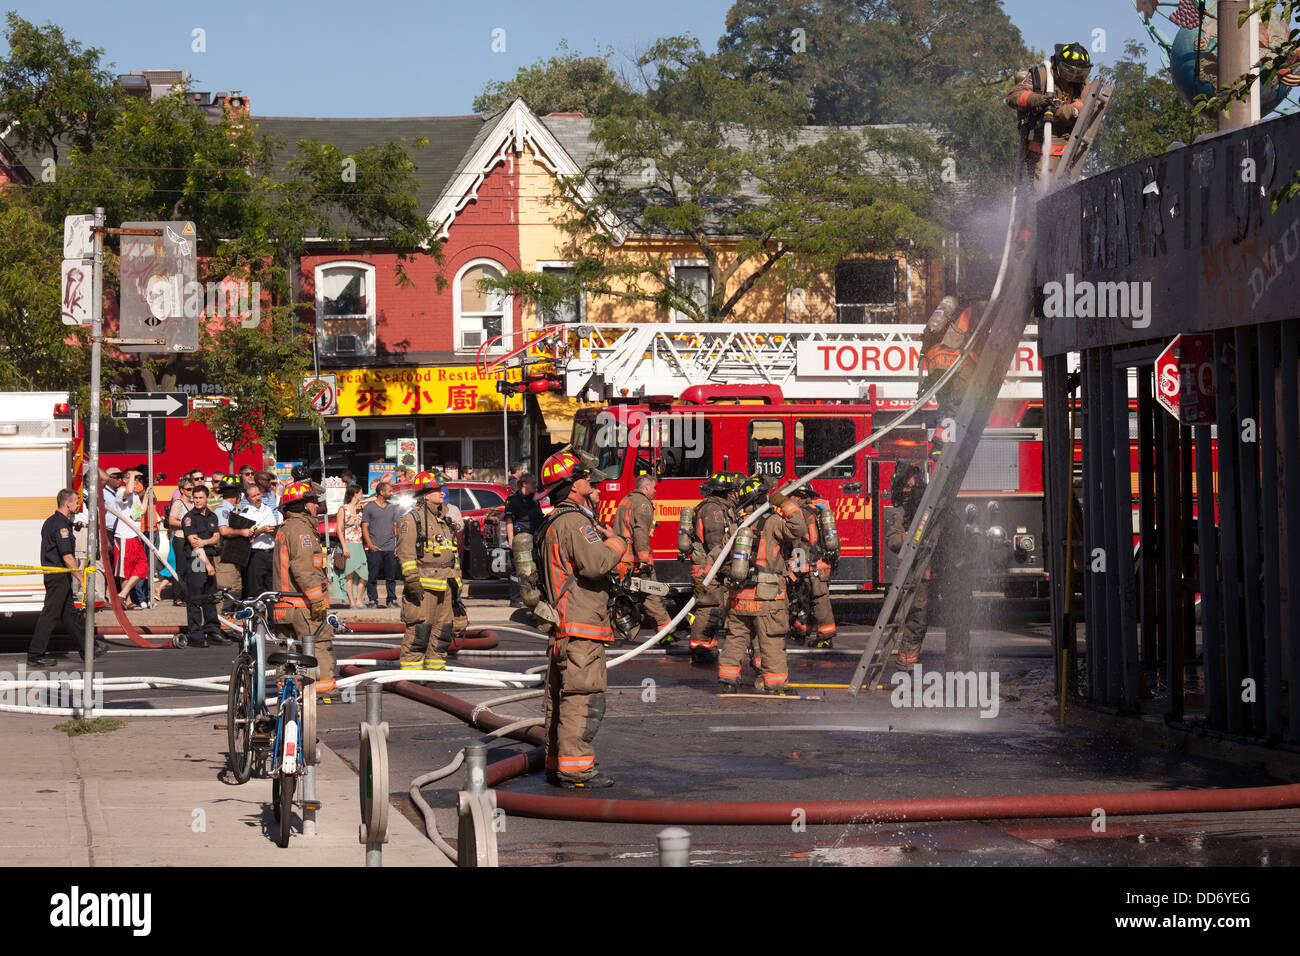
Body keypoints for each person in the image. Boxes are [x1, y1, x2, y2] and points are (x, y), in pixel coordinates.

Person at [536, 451, 629, 789]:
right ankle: (576, 769)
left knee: (560, 697)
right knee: (582, 697)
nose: (594, 485)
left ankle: (556, 761)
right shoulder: (575, 522)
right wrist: (618, 541)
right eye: (588, 479)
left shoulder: (553, 522)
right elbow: (596, 565)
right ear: (573, 485)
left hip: (564, 627)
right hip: (581, 627)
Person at [717, 477, 805, 695]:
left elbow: (718, 554)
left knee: (736, 638)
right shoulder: (773, 522)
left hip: (739, 597)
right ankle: (775, 684)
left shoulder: (738, 524)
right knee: (771, 640)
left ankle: (728, 680)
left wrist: (703, 576)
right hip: (767, 597)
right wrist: (783, 501)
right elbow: (798, 527)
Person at [885, 464, 975, 671]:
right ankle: (906, 668)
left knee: (957, 617)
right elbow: (893, 540)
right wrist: (914, 538)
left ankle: (958, 665)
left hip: (949, 572)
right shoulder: (903, 512)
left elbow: (960, 537)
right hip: (921, 576)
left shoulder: (941, 507)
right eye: (907, 486)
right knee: (917, 619)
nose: (911, 490)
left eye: (914, 485)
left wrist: (959, 560)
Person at [28, 490, 110, 666]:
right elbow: (67, 556)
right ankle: (35, 655)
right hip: (57, 576)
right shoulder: (60, 525)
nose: (78, 505)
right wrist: (81, 578)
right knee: (50, 616)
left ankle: (88, 648)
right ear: (67, 504)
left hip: (58, 576)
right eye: (76, 502)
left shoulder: (54, 522)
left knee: (70, 616)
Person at [272, 480, 337, 698]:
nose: (316, 506)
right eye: (312, 502)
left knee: (289, 653)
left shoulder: (287, 528)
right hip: (303, 606)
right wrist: (317, 599)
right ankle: (323, 693)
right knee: (318, 646)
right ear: (303, 505)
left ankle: (290, 696)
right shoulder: (301, 531)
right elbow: (303, 568)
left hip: (285, 607)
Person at [394, 472, 462, 670]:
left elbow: (452, 556)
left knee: (443, 633)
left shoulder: (445, 520)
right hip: (424, 587)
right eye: (436, 490)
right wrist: (412, 581)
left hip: (447, 585)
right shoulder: (411, 520)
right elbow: (406, 555)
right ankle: (411, 677)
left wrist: (457, 584)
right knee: (419, 633)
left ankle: (435, 673)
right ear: (425, 495)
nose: (442, 494)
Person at [1006, 42, 1093, 183]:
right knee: (1042, 193)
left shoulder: (1082, 82)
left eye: (1078, 73)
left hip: (1070, 146)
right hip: (1042, 144)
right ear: (1059, 64)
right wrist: (1037, 99)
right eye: (1068, 72)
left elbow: (1089, 103)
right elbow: (1013, 97)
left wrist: (1070, 110)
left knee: (1068, 191)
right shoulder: (1043, 73)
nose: (1072, 77)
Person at [686, 472, 744, 664]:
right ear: (726, 492)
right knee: (708, 608)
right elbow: (716, 543)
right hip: (707, 567)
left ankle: (707, 645)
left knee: (716, 608)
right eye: (734, 491)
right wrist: (728, 568)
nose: (737, 494)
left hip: (712, 567)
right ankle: (700, 647)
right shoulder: (714, 510)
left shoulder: (720, 507)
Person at [919, 296, 982, 462]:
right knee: (955, 404)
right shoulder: (970, 312)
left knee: (946, 404)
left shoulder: (943, 317)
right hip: (952, 361)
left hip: (935, 363)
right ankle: (941, 446)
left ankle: (941, 446)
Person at [611, 472, 673, 634]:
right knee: (651, 595)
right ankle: (667, 633)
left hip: (619, 557)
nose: (655, 491)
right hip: (634, 561)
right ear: (645, 488)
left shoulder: (626, 500)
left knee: (620, 596)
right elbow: (641, 532)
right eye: (654, 488)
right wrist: (644, 559)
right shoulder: (643, 504)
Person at [787, 485, 838, 649]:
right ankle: (800, 631)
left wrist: (794, 564)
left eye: (791, 496)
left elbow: (798, 542)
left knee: (819, 601)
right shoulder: (816, 511)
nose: (789, 500)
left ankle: (825, 637)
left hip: (812, 564)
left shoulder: (800, 514)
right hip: (819, 562)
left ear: (798, 497)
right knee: (807, 598)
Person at [180, 486, 224, 648]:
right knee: (196, 597)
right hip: (196, 560)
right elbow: (194, 543)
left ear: (207, 498)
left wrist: (205, 542)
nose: (197, 500)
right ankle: (196, 634)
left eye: (200, 498)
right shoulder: (189, 518)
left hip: (210, 556)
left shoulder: (212, 516)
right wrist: (206, 565)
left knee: (210, 595)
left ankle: (212, 630)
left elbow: (216, 538)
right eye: (195, 498)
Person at [503, 473, 545, 607]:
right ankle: (515, 599)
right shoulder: (513, 500)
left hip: (534, 538)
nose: (535, 485)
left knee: (534, 569)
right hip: (520, 540)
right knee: (518, 570)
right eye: (533, 483)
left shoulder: (534, 500)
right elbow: (509, 520)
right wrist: (511, 539)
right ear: (524, 484)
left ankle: (532, 596)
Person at [113, 471, 148, 610]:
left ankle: (122, 594)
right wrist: (132, 475)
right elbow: (128, 490)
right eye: (133, 478)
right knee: (125, 572)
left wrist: (146, 495)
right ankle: (127, 601)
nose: (136, 481)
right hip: (124, 536)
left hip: (134, 536)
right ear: (125, 480)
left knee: (142, 567)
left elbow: (139, 513)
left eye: (138, 479)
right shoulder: (121, 492)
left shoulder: (134, 495)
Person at [213, 479, 252, 601]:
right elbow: (224, 530)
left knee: (235, 588)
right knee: (228, 589)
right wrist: (242, 532)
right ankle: (224, 619)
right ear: (237, 493)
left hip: (232, 555)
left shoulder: (231, 510)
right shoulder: (223, 510)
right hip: (224, 557)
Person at [361, 480, 398, 608]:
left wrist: (397, 545)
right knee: (372, 576)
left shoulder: (393, 507)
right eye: (389, 491)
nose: (392, 493)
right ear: (381, 492)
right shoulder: (369, 507)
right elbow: (364, 527)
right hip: (374, 547)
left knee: (391, 577)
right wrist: (370, 544)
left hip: (390, 547)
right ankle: (373, 600)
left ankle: (391, 600)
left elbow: (396, 527)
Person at [242, 482, 280, 598]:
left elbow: (274, 527)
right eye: (253, 496)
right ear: (248, 499)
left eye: (258, 495)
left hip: (271, 552)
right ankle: (258, 615)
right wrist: (261, 531)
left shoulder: (268, 509)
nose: (258, 498)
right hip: (256, 554)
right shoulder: (246, 513)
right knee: (256, 589)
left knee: (272, 588)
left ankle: (272, 615)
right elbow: (246, 536)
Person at [333, 485, 368, 607]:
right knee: (349, 575)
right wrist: (344, 547)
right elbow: (339, 529)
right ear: (355, 494)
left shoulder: (360, 508)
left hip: (359, 544)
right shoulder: (343, 509)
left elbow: (374, 499)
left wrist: (363, 501)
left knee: (364, 574)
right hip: (347, 543)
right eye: (361, 492)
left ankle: (359, 599)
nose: (362, 495)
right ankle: (352, 601)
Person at [167, 477, 196, 605]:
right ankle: (177, 597)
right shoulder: (178, 503)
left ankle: (187, 594)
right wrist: (186, 525)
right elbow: (171, 521)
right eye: (189, 489)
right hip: (180, 539)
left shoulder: (192, 503)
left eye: (193, 488)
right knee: (181, 568)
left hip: (191, 539)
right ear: (182, 490)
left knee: (191, 568)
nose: (192, 491)